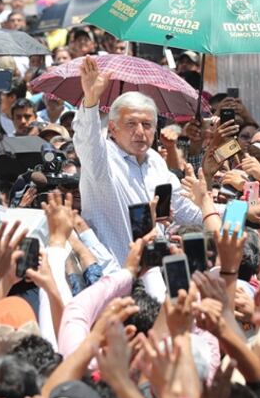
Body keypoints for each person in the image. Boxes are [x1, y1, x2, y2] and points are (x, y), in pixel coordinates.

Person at [73, 56, 201, 263]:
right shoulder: (101, 159)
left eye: (147, 124)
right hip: (113, 273)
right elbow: (87, 139)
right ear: (113, 128)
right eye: (131, 124)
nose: (140, 132)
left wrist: (234, 214)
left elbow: (186, 212)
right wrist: (91, 100)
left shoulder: (156, 163)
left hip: (156, 273)